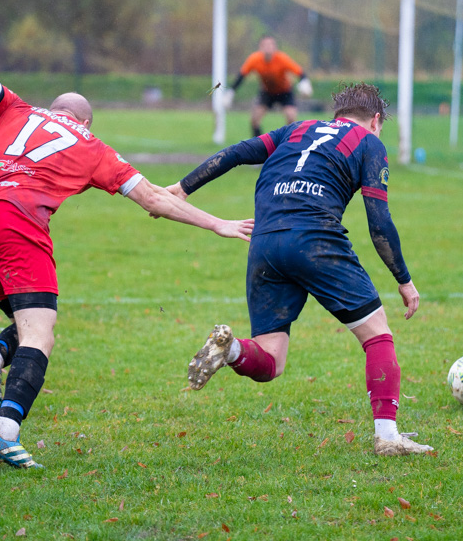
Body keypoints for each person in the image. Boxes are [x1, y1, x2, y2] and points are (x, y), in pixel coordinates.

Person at [0, 51, 253, 469]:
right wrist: (216, 224)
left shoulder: (16, 109)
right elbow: (154, 200)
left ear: (54, 110)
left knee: (29, 317)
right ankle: (4, 434)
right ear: (85, 123)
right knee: (40, 335)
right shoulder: (92, 146)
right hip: (16, 221)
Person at [168, 82, 432, 457]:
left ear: (337, 114)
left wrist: (183, 187)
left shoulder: (297, 128)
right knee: (378, 335)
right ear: (375, 121)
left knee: (270, 359)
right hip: (315, 239)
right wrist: (403, 280)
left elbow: (237, 152)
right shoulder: (369, 143)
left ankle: (231, 351)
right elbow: (379, 222)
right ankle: (388, 437)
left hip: (263, 241)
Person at [224, 35, 313, 137]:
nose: (268, 48)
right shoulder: (254, 59)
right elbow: (241, 76)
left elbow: (300, 72)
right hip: (267, 92)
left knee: (291, 118)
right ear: (260, 47)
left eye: (271, 45)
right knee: (254, 119)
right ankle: (258, 146)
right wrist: (230, 92)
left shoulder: (282, 58)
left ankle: (287, 144)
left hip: (284, 91)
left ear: (275, 47)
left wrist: (305, 83)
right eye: (265, 45)